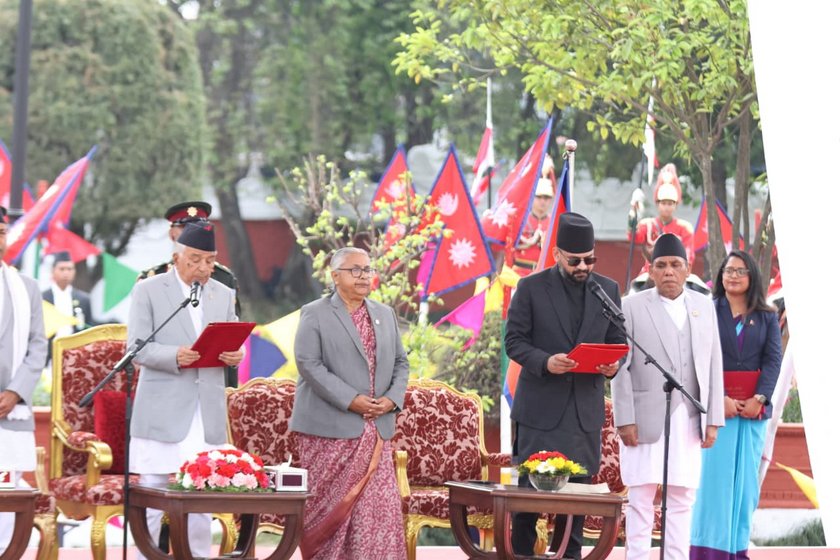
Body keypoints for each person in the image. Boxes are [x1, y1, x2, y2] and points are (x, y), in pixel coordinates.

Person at [505, 212, 625, 559]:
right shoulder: (531, 288)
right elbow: (514, 341)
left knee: (575, 503)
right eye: (575, 261)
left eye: (590, 259)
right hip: (540, 413)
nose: (584, 267)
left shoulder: (608, 290)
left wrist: (613, 366)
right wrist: (545, 361)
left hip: (582, 416)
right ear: (557, 254)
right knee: (528, 503)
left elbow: (618, 341)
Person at [128, 221, 243, 559]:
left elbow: (234, 340)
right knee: (152, 497)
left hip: (204, 410)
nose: (204, 268)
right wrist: (174, 355)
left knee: (201, 497)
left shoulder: (223, 294)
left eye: (210, 260)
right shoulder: (148, 290)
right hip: (162, 408)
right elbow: (135, 349)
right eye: (195, 259)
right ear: (176, 256)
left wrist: (237, 354)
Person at [612, 233, 725, 560]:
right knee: (641, 499)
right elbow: (620, 367)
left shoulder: (704, 307)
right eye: (661, 266)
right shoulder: (630, 306)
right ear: (651, 270)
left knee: (682, 499)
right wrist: (625, 419)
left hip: (690, 417)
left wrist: (713, 421)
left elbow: (713, 364)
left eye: (676, 265)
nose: (669, 272)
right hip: (644, 419)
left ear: (687, 268)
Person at [291, 247, 408, 559]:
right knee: (328, 514)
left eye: (367, 269)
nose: (363, 276)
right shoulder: (314, 313)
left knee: (377, 513)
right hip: (329, 431)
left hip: (376, 430)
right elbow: (308, 364)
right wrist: (351, 400)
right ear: (334, 276)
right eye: (354, 270)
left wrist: (391, 400)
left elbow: (401, 363)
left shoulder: (385, 314)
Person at [690, 250, 782, 560]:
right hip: (719, 414)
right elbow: (699, 360)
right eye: (728, 270)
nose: (733, 276)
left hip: (753, 413)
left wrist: (760, 398)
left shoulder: (767, 315)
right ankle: (707, 552)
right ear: (720, 276)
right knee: (713, 486)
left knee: (744, 491)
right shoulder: (707, 310)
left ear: (752, 276)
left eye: (740, 271)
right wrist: (718, 402)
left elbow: (772, 360)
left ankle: (736, 550)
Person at [137, 201, 241, 387]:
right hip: (168, 385)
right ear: (172, 234)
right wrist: (174, 355)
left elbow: (232, 334)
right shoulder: (150, 282)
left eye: (197, 227)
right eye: (185, 228)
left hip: (211, 384)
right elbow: (139, 345)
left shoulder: (223, 282)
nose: (192, 234)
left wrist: (235, 359)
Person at [0, 206, 48, 554]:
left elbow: (37, 344)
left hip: (11, 406)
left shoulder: (26, 287)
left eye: (2, 232)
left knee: (8, 487)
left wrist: (16, 391)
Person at [629, 163, 695, 274]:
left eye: (670, 203)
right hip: (650, 273)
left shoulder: (685, 228)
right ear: (657, 204)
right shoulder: (647, 225)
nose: (666, 207)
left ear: (675, 205)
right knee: (634, 289)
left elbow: (688, 255)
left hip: (676, 274)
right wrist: (633, 211)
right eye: (663, 203)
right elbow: (634, 237)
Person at [511, 178, 555, 276]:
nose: (542, 201)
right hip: (519, 273)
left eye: (546, 198)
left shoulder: (554, 222)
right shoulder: (521, 220)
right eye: (539, 197)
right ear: (532, 197)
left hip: (544, 274)